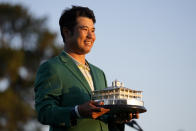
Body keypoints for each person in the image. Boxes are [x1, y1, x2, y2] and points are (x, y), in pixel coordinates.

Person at [34, 6, 138, 131]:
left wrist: (117, 118)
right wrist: (77, 111)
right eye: (84, 29)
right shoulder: (52, 67)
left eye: (93, 30)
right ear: (66, 32)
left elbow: (103, 120)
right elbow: (44, 113)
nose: (91, 36)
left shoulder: (99, 74)